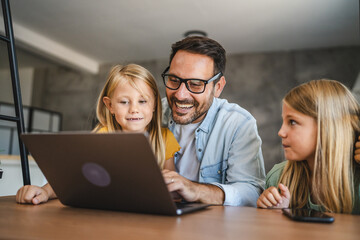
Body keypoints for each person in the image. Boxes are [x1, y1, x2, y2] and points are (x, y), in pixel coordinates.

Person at [16, 64, 180, 205]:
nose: (134, 109)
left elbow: (172, 185)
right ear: (110, 106)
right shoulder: (103, 136)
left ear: (155, 104)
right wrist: (45, 192)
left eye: (142, 101)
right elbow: (73, 178)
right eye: (124, 102)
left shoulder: (165, 138)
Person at [160, 36, 266, 206]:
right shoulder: (151, 113)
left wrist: (195, 190)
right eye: (174, 80)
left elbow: (252, 192)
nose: (180, 94)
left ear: (218, 87)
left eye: (195, 84)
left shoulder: (239, 123)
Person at [257, 79, 360, 214]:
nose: (281, 132)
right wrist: (276, 214)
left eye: (292, 122)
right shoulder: (278, 178)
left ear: (327, 128)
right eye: (284, 121)